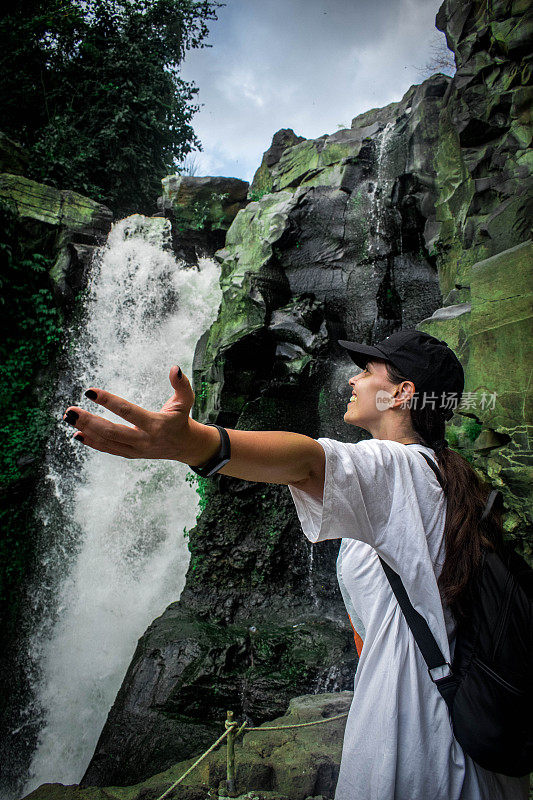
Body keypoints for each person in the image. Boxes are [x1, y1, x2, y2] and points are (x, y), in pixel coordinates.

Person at [63, 329, 528, 800]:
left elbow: (305, 461)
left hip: (420, 756)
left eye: (368, 372)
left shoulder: (401, 470)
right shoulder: (438, 480)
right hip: (456, 751)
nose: (353, 379)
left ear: (402, 394)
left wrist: (194, 444)